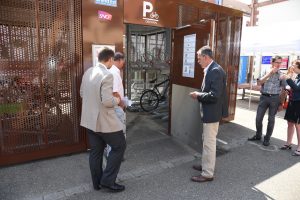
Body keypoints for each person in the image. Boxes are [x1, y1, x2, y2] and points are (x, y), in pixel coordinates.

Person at [80, 48, 126, 192]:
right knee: (119, 146)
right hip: (104, 122)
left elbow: (82, 93)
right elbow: (107, 101)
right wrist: (118, 99)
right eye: (112, 60)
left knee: (96, 152)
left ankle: (97, 183)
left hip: (89, 121)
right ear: (110, 59)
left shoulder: (88, 72)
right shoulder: (107, 75)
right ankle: (108, 181)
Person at [189, 46, 228, 183]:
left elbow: (214, 96)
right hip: (210, 112)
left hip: (212, 113)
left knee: (209, 143)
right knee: (206, 141)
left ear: (206, 57)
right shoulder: (212, 69)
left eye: (199, 59)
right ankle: (206, 165)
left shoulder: (215, 71)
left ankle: (207, 174)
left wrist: (198, 95)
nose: (198, 61)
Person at [248, 56, 285, 146]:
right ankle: (258, 135)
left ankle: (267, 138)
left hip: (275, 99)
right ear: (272, 63)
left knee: (271, 120)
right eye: (277, 62)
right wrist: (269, 74)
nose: (279, 65)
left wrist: (281, 103)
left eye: (280, 63)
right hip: (264, 97)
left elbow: (283, 90)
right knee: (258, 118)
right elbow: (259, 83)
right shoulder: (265, 71)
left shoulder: (281, 74)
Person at [280, 60, 300, 156]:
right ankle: (288, 143)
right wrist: (289, 90)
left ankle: (299, 147)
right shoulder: (297, 76)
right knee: (290, 123)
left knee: (298, 125)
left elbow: (297, 88)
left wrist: (287, 78)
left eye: (294, 65)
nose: (292, 67)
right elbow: (295, 89)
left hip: (298, 104)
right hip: (292, 101)